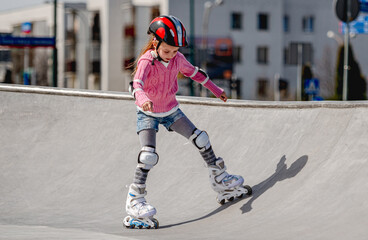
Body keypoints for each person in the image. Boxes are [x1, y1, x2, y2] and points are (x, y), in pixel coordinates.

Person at [124, 15, 250, 229]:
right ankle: (135, 198)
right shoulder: (147, 60)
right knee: (148, 155)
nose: (172, 55)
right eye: (167, 51)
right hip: (148, 112)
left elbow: (196, 74)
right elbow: (137, 84)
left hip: (171, 110)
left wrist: (217, 91)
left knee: (201, 138)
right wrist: (143, 100)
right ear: (155, 42)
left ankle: (219, 178)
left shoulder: (177, 59)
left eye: (175, 51)